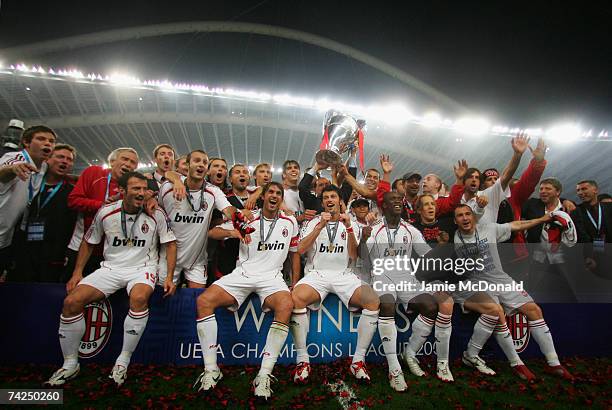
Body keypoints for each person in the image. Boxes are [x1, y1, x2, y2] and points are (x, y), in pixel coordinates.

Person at [45, 172, 177, 387]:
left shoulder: (156, 213)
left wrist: (169, 275)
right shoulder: (106, 212)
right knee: (71, 303)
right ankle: (70, 364)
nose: (141, 193)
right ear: (122, 191)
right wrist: (77, 272)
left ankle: (122, 362)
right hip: (111, 268)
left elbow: (170, 243)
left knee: (139, 297)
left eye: (144, 189)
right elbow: (89, 241)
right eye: (136, 189)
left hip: (142, 268)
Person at [193, 182, 297, 400]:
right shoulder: (246, 217)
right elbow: (212, 232)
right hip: (243, 274)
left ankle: (264, 374)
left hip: (272, 277)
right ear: (263, 196)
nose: (274, 196)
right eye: (271, 192)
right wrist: (233, 231)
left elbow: (295, 253)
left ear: (281, 198)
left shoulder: (290, 221)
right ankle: (212, 369)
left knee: (286, 304)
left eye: (279, 193)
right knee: (204, 301)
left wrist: (294, 282)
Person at [452, 204, 574, 381]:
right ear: (455, 221)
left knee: (534, 310)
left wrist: (542, 219)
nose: (465, 218)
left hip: (500, 279)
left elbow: (516, 225)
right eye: (460, 216)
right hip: (474, 283)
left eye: (467, 214)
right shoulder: (453, 238)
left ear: (473, 216)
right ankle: (517, 363)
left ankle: (554, 363)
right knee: (497, 313)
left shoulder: (489, 229)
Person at [290, 185, 380, 384]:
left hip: (344, 275)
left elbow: (354, 256)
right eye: (325, 197)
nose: (329, 200)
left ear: (340, 200)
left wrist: (348, 227)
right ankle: (302, 360)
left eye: (333, 196)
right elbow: (300, 249)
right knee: (296, 298)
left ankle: (358, 361)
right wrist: (319, 227)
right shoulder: (312, 222)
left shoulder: (352, 223)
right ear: (322, 202)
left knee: (372, 301)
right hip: (317, 274)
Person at [365, 192, 453, 386]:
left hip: (405, 276)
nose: (397, 202)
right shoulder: (375, 229)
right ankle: (394, 368)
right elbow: (363, 259)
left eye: (399, 200)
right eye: (392, 200)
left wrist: (441, 246)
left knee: (430, 307)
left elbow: (427, 256)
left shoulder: (410, 230)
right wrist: (364, 241)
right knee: (387, 304)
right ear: (384, 206)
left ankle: (410, 353)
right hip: (382, 274)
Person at [158, 150, 234, 288]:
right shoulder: (167, 188)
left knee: (196, 299)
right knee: (163, 298)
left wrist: (239, 216)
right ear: (187, 165)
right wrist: (175, 179)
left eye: (205, 162)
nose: (201, 165)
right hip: (167, 258)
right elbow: (158, 211)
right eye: (196, 161)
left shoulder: (213, 191)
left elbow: (228, 210)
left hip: (196, 260)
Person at [66, 147, 139, 277]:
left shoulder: (133, 188)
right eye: (125, 159)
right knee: (74, 287)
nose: (128, 164)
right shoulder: (93, 173)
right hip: (83, 247)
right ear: (112, 161)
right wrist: (102, 206)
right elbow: (73, 200)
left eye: (133, 162)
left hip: (112, 252)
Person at [16, 144, 77, 282]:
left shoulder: (73, 192)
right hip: (23, 249)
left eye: (69, 159)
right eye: (60, 157)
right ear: (47, 160)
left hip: (54, 255)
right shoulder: (30, 184)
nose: (65, 161)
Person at [0, 125, 56, 275]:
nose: (48, 143)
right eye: (41, 139)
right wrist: (12, 170)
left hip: (7, 236)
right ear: (26, 142)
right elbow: (3, 172)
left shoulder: (42, 166)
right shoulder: (15, 159)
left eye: (51, 141)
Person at [522, 178, 578, 301]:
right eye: (541, 189)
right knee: (532, 290)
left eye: (547, 188)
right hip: (537, 257)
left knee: (572, 290)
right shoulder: (532, 204)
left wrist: (565, 201)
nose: (543, 191)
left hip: (562, 258)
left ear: (558, 192)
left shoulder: (569, 208)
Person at [461, 134, 529, 223]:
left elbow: (506, 176)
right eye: (470, 177)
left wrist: (517, 155)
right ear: (482, 184)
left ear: (479, 183)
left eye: (477, 177)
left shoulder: (490, 194)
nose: (474, 179)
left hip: (490, 236)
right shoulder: (458, 198)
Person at [574, 180, 612, 278]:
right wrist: (565, 201)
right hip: (597, 257)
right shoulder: (577, 212)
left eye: (584, 189)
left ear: (595, 190)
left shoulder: (609, 207)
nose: (580, 193)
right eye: (578, 190)